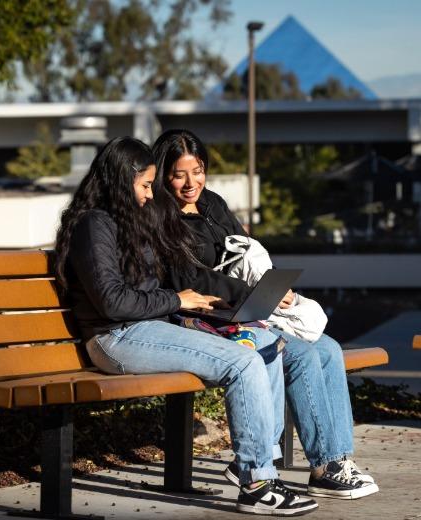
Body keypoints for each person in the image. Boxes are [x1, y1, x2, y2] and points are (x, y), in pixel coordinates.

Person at [54, 136, 318, 516]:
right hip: (117, 336)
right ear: (119, 180)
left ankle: (263, 464)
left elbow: (155, 284)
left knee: (263, 344)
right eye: (145, 185)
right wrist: (178, 301)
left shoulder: (127, 220)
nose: (149, 194)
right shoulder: (94, 225)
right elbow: (113, 302)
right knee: (242, 363)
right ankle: (257, 483)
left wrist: (194, 307)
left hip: (148, 327)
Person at [152, 128, 380, 500]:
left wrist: (272, 291)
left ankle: (334, 461)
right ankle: (294, 463)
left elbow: (246, 253)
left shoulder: (213, 205)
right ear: (163, 175)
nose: (191, 182)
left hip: (239, 308)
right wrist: (256, 296)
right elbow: (189, 276)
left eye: (198, 171)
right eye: (180, 174)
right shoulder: (161, 218)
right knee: (301, 353)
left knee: (327, 348)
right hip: (200, 315)